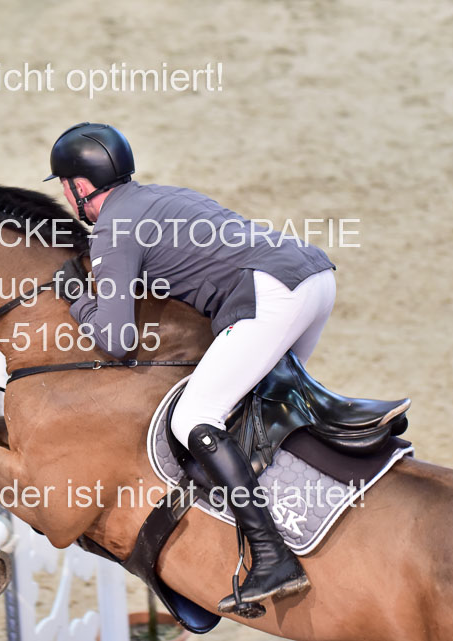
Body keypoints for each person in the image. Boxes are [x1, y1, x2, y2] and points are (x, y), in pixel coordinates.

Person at [46, 122, 336, 613]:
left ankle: (273, 558)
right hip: (314, 277)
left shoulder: (112, 229)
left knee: (194, 417)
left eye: (65, 186)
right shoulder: (163, 196)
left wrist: (78, 300)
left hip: (270, 295)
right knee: (258, 404)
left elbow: (116, 340)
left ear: (78, 185)